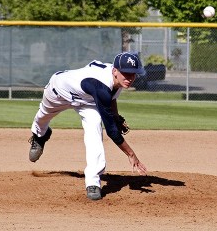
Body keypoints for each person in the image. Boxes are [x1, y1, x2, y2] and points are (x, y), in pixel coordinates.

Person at [28, 52, 147, 200]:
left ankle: (93, 181)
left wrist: (115, 117)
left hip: (88, 101)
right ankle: (40, 135)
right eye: (126, 73)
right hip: (59, 91)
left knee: (95, 127)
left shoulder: (118, 80)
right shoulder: (101, 85)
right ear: (115, 71)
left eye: (133, 74)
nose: (130, 78)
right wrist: (131, 155)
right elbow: (112, 131)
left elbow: (111, 97)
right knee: (42, 116)